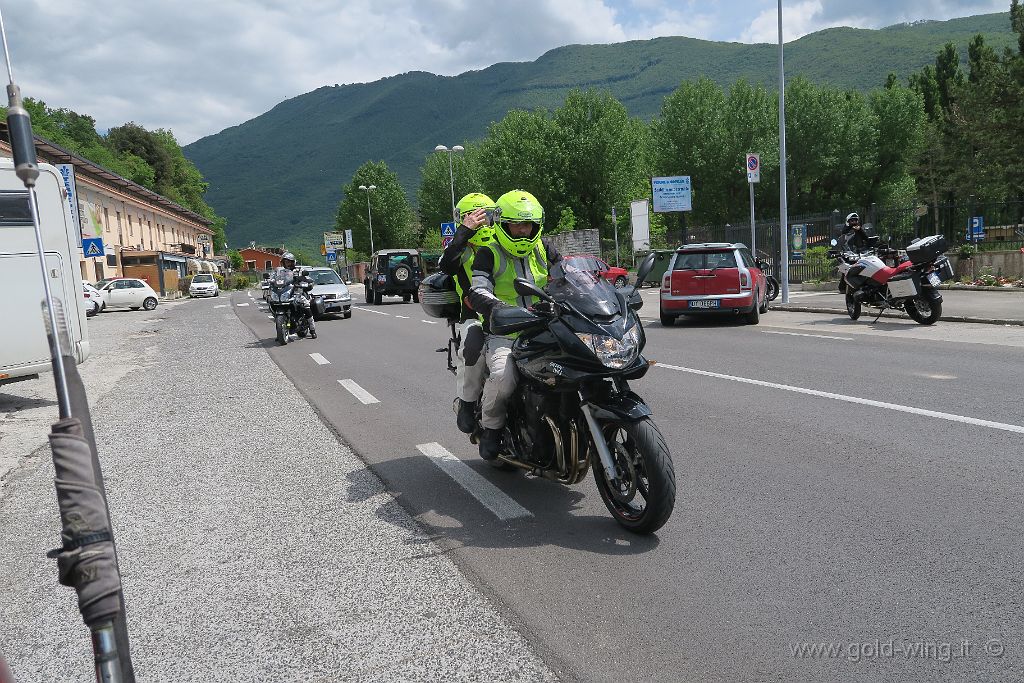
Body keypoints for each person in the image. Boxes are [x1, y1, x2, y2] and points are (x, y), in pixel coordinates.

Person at [466, 190, 561, 460]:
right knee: (502, 377)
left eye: (527, 225)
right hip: (506, 333)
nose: (522, 231)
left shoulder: (545, 249)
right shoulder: (489, 252)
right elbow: (479, 289)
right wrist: (497, 308)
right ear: (503, 224)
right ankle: (492, 428)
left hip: (547, 329)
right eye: (516, 225)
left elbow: (568, 277)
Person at [439, 193, 496, 434]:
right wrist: (464, 232)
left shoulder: (503, 242)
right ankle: (467, 402)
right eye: (473, 217)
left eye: (485, 216)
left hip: (514, 314)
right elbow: (446, 264)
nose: (481, 222)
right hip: (475, 317)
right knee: (473, 347)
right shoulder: (460, 249)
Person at [274, 251, 316, 338]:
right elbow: (274, 278)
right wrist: (270, 281)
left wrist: (303, 280)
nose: (287, 264)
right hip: (286, 293)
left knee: (306, 306)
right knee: (275, 304)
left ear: (293, 262)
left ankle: (312, 329)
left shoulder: (298, 270)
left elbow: (308, 279)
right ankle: (280, 333)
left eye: (289, 262)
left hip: (298, 293)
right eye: (286, 262)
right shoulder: (280, 272)